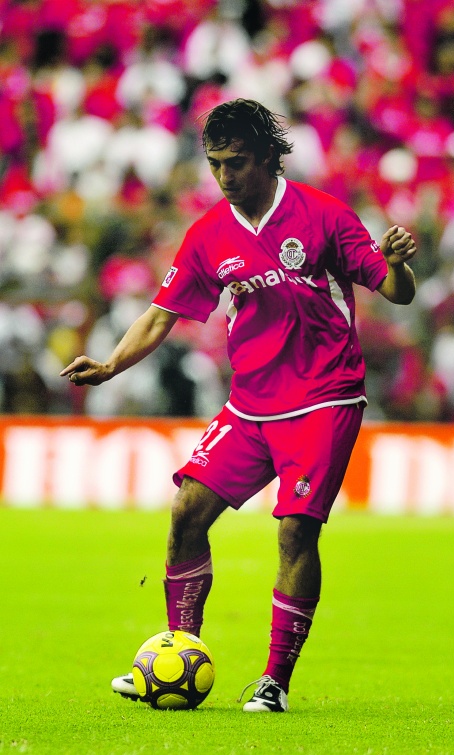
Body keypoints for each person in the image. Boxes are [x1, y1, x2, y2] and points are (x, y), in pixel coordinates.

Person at [60, 98, 417, 712]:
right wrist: (112, 364)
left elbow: (395, 290)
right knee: (186, 513)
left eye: (237, 162)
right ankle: (177, 653)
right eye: (216, 164)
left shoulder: (324, 215)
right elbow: (161, 315)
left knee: (296, 530)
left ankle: (274, 682)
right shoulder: (208, 234)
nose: (224, 176)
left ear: (269, 158)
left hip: (324, 397)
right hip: (250, 405)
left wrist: (400, 266)